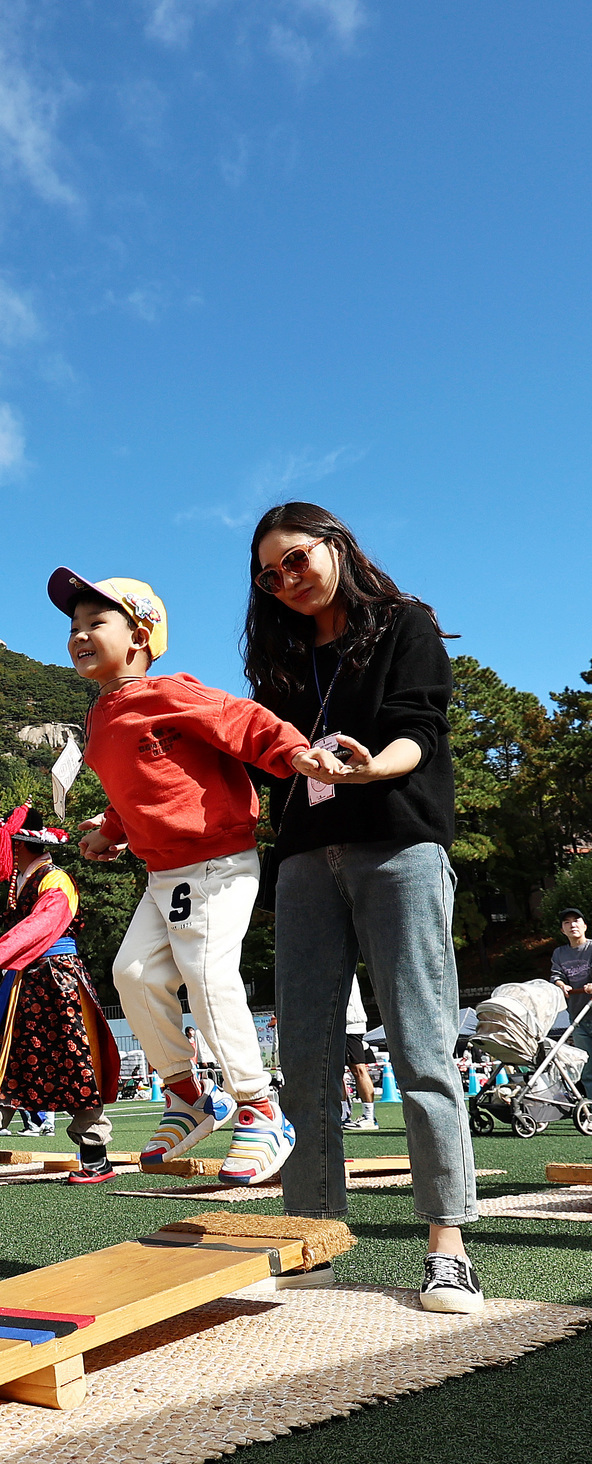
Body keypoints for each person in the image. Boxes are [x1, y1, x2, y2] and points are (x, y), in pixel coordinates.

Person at [245, 501, 482, 1314]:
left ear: (336, 546)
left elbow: (423, 730)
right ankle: (312, 1233)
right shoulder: (279, 660)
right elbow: (268, 769)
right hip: (307, 862)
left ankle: (447, 1244)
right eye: (269, 573)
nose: (285, 581)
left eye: (297, 560)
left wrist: (374, 766)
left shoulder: (403, 623)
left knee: (423, 1043)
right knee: (305, 1053)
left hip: (400, 846)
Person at [50, 567, 340, 1186]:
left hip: (217, 862)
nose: (78, 634)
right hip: (163, 874)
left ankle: (262, 1108)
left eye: (95, 622)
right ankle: (187, 1096)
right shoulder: (99, 720)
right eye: (73, 626)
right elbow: (137, 790)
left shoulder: (170, 692)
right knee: (131, 975)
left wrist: (293, 753)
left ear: (140, 636)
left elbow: (243, 721)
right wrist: (110, 832)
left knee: (206, 974)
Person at [0, 808, 119, 1183]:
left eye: (7, 842)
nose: (4, 850)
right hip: (31, 983)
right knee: (8, 1064)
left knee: (74, 1065)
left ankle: (95, 1157)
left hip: (58, 985)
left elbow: (40, 925)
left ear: (20, 843)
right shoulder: (28, 879)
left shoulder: (55, 881)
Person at [552, 909, 592, 1097]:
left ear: (584, 926)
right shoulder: (559, 953)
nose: (572, 925)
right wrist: (561, 985)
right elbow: (556, 975)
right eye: (567, 922)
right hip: (577, 1018)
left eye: (576, 921)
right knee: (587, 1067)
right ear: (562, 930)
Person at [344, 979, 380, 1129]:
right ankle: (343, 1114)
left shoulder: (341, 963)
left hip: (350, 1024)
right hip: (335, 1024)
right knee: (335, 1071)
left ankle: (369, 1117)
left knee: (358, 1069)